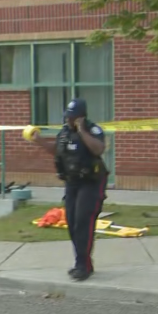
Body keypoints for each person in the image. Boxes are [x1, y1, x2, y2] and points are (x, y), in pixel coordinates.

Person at [29, 98, 108, 281]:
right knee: (72, 222)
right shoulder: (64, 133)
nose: (68, 120)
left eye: (72, 117)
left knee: (83, 221)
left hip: (91, 182)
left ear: (81, 117)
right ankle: (80, 262)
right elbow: (57, 150)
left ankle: (84, 265)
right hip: (72, 183)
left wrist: (82, 131)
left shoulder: (93, 130)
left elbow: (98, 149)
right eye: (67, 116)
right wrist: (39, 141)